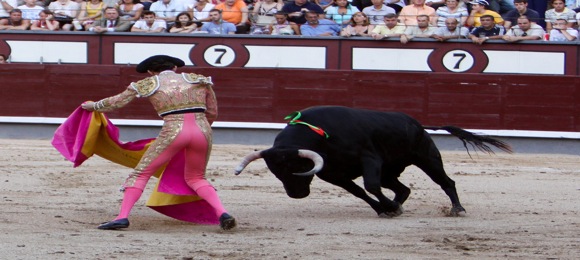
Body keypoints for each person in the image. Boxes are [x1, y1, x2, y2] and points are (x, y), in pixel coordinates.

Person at [80, 55, 237, 231]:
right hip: (203, 130)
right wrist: (202, 129)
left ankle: (122, 217)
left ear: (149, 71)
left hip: (173, 131)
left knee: (140, 174)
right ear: (175, 68)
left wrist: (93, 106)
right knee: (196, 177)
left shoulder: (147, 84)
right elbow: (213, 111)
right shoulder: (198, 79)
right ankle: (222, 213)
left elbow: (117, 101)